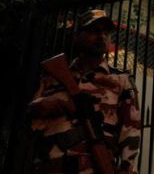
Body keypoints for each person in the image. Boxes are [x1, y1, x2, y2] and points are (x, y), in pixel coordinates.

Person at [28, 9, 141, 173]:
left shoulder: (121, 80)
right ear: (76, 36)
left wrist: (127, 169)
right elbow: (29, 120)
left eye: (106, 32)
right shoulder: (53, 77)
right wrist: (58, 105)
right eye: (94, 31)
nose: (102, 36)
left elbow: (131, 131)